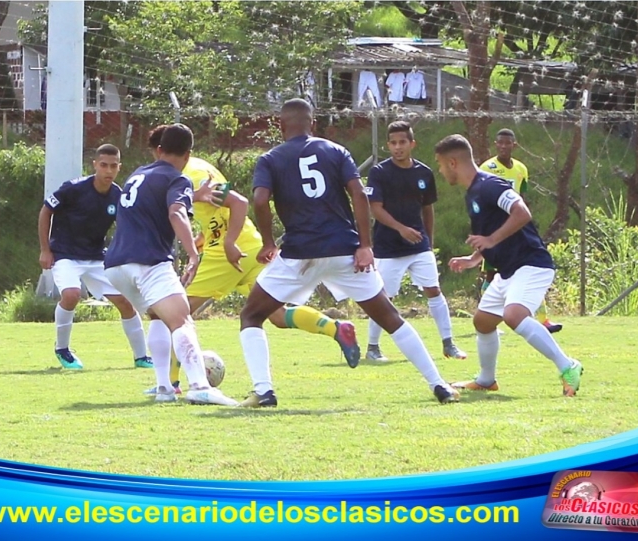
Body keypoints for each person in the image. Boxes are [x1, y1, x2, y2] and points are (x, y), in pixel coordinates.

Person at [238, 98, 459, 408]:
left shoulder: (271, 159)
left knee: (251, 315)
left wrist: (267, 242)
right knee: (391, 318)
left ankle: (264, 391)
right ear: (312, 123)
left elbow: (260, 200)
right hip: (345, 250)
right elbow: (358, 192)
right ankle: (440, 386)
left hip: (300, 254)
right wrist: (365, 245)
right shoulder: (335, 150)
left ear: (280, 125)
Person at [142, 126, 360, 395]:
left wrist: (228, 242)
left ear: (161, 150)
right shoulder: (198, 166)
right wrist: (205, 237)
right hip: (249, 245)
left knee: (173, 314)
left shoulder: (193, 175)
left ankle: (171, 384)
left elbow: (239, 202)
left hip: (227, 254)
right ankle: (336, 328)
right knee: (277, 315)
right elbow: (215, 214)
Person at [434, 134, 583, 397]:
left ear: (453, 162)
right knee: (482, 322)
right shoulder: (472, 195)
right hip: (507, 271)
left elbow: (522, 212)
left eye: (441, 164)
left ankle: (568, 366)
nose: (440, 169)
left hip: (531, 264)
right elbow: (488, 237)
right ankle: (486, 379)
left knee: (514, 316)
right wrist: (474, 258)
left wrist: (491, 239)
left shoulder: (490, 185)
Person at [103, 123, 237, 406]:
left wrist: (195, 196)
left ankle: (164, 387)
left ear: (160, 150)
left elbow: (153, 202)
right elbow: (176, 213)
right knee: (182, 319)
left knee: (160, 318)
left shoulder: (139, 174)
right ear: (188, 155)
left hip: (115, 266)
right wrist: (193, 253)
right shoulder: (178, 179)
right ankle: (200, 386)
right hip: (148, 261)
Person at [38, 144, 151, 370]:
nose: (108, 170)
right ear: (95, 165)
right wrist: (45, 249)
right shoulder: (73, 188)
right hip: (65, 254)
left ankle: (141, 357)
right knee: (71, 295)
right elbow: (45, 211)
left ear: (119, 167)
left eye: (113, 166)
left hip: (96, 258)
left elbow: (127, 227)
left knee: (125, 302)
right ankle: (63, 350)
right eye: (103, 165)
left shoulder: (118, 195)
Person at [364, 121, 466, 362]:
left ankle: (448, 343)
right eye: (393, 143)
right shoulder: (380, 173)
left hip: (419, 245)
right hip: (388, 247)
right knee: (382, 297)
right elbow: (375, 208)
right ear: (388, 145)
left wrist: (428, 242)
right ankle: (372, 346)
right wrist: (400, 229)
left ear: (412, 144)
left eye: (402, 142)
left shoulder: (424, 173)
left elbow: (427, 209)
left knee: (434, 290)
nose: (398, 147)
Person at [480, 129, 562, 334]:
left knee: (529, 269)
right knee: (491, 275)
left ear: (514, 145)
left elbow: (521, 199)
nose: (503, 147)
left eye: (507, 144)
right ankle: (490, 321)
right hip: (495, 228)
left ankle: (543, 319)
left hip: (516, 228)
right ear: (495, 144)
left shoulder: (520, 169)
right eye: (500, 143)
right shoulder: (487, 168)